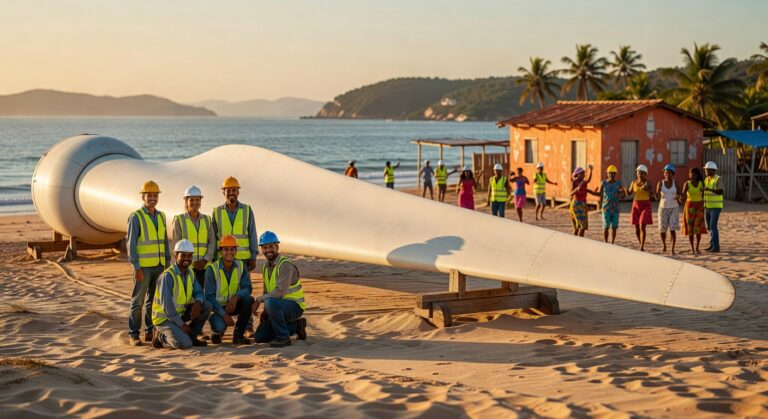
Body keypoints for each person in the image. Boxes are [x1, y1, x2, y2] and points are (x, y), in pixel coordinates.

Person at [212, 176, 258, 337]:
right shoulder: (217, 212)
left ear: (238, 192)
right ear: (223, 192)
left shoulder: (247, 210)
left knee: (244, 291)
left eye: (234, 190)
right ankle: (220, 322)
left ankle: (247, 327)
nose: (232, 193)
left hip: (243, 257)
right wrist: (213, 258)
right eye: (228, 190)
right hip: (223, 258)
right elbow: (213, 236)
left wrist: (253, 255)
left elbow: (252, 233)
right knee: (222, 289)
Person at [126, 180, 171, 346]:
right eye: (149, 195)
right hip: (143, 268)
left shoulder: (161, 216)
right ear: (143, 197)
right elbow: (131, 245)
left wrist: (166, 264)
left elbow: (165, 242)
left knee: (153, 301)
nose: (152, 198)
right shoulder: (136, 217)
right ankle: (133, 334)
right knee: (138, 301)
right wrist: (136, 267)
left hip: (159, 266)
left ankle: (150, 331)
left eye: (155, 195)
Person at [151, 239, 212, 350]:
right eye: (183, 255)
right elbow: (168, 308)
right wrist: (182, 325)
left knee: (206, 306)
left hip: (179, 314)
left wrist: (198, 302)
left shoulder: (190, 273)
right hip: (164, 319)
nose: (186, 259)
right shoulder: (167, 277)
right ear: (175, 255)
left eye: (189, 256)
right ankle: (160, 336)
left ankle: (191, 336)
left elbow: (198, 292)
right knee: (185, 344)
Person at [253, 231, 307, 348]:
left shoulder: (285, 265)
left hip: (294, 306)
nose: (268, 250)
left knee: (270, 302)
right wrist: (266, 310)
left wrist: (259, 300)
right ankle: (296, 326)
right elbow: (267, 291)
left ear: (277, 247)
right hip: (277, 306)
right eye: (265, 247)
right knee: (260, 337)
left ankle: (283, 338)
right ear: (262, 249)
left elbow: (280, 292)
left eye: (271, 246)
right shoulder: (266, 267)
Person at [205, 235, 254, 344]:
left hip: (234, 303)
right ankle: (216, 332)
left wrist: (236, 297)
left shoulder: (241, 266)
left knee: (248, 300)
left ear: (236, 250)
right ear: (221, 251)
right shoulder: (212, 269)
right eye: (226, 249)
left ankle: (238, 335)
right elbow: (209, 296)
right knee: (219, 326)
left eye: (232, 249)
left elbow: (247, 288)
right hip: (218, 307)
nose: (229, 252)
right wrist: (224, 314)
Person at [172, 185, 214, 288]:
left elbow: (212, 242)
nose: (195, 202)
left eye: (197, 199)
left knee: (204, 297)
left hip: (205, 267)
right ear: (186, 201)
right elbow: (176, 246)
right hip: (186, 267)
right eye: (191, 200)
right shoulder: (179, 220)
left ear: (200, 201)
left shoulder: (207, 219)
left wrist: (205, 260)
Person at [626, 165, 655, 251]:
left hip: (646, 205)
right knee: (637, 227)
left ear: (645, 174)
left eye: (642, 173)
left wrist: (648, 190)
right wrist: (624, 190)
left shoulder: (648, 182)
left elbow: (653, 193)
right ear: (636, 173)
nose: (640, 175)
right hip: (635, 205)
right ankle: (640, 243)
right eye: (639, 173)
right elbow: (628, 193)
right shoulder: (633, 183)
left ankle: (641, 247)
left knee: (642, 225)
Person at [680, 167, 707, 254]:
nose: (692, 175)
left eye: (694, 173)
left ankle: (697, 247)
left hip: (699, 206)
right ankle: (692, 248)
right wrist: (681, 197)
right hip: (689, 207)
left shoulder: (700, 183)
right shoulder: (687, 184)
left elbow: (703, 194)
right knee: (690, 228)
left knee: (698, 228)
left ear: (697, 175)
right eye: (690, 173)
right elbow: (683, 193)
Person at [596, 165, 625, 244]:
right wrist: (599, 202)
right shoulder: (603, 183)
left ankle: (612, 242)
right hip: (606, 208)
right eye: (610, 173)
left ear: (616, 174)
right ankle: (606, 242)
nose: (611, 175)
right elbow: (599, 194)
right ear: (607, 173)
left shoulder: (619, 184)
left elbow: (622, 197)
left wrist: (622, 192)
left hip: (615, 208)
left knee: (614, 227)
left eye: (613, 173)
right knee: (606, 227)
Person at [656, 164, 680, 254]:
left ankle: (672, 249)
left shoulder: (676, 183)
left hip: (674, 208)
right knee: (662, 229)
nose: (667, 174)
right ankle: (664, 245)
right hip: (663, 208)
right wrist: (656, 194)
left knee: (672, 229)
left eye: (669, 173)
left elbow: (680, 195)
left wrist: (679, 197)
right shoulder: (660, 183)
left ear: (672, 174)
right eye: (666, 172)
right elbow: (657, 197)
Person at [570, 165, 597, 237]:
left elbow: (588, 180)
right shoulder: (574, 182)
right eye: (582, 173)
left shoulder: (584, 182)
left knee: (583, 226)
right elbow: (571, 193)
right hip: (576, 205)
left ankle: (580, 241)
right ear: (577, 174)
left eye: (584, 173)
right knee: (579, 226)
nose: (584, 175)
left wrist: (591, 170)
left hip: (583, 205)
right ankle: (575, 241)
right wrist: (577, 189)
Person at [703, 161, 724, 253]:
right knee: (708, 227)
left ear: (712, 170)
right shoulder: (706, 179)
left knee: (713, 226)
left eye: (707, 170)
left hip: (716, 206)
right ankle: (712, 244)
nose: (705, 171)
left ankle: (716, 246)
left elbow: (721, 191)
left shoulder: (718, 179)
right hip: (707, 206)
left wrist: (709, 189)